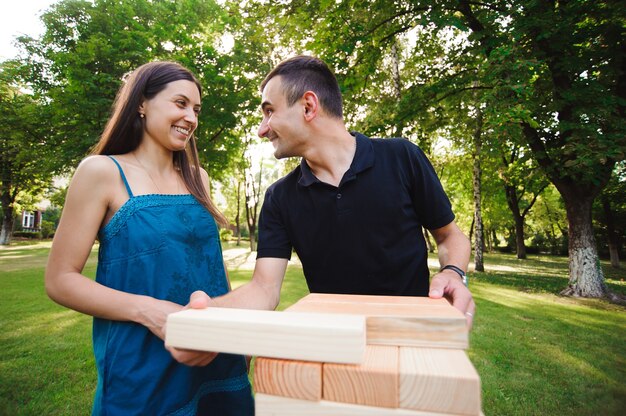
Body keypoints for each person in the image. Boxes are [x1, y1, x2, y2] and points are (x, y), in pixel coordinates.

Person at [171, 55, 475, 367]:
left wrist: (453, 272)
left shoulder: (402, 157)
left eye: (269, 112)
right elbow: (264, 288)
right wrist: (208, 315)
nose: (262, 130)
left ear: (308, 106)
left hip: (416, 344)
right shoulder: (279, 198)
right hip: (334, 354)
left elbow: (450, 237)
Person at [45, 61, 254, 415]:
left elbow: (208, 261)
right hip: (143, 365)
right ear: (142, 103)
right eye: (180, 103)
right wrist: (151, 313)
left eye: (196, 109)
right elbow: (60, 280)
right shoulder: (100, 171)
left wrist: (236, 333)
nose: (191, 117)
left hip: (215, 355)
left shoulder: (198, 177)